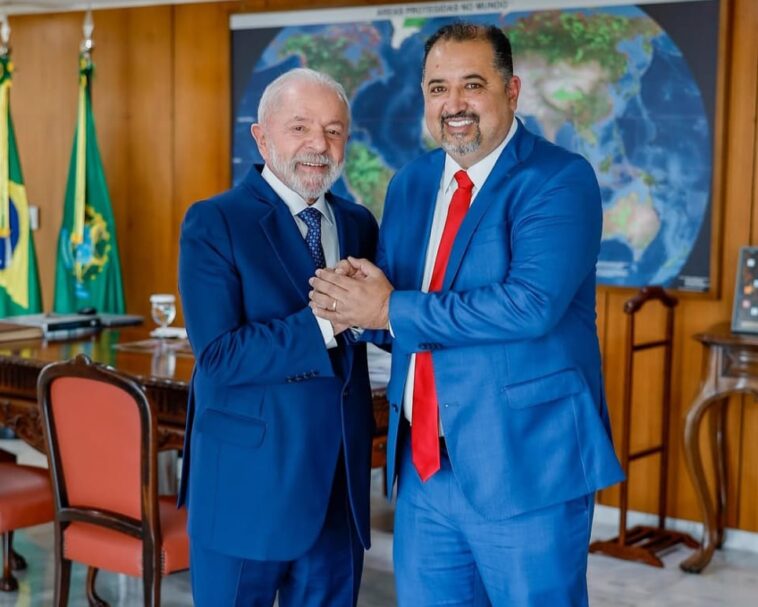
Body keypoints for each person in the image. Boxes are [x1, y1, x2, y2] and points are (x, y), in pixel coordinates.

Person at [309, 23, 624, 606]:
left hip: (526, 465)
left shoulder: (558, 179)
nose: (453, 104)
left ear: (511, 90)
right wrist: (354, 304)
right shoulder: (411, 184)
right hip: (425, 466)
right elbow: (397, 317)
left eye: (472, 85)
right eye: (438, 88)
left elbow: (529, 306)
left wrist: (388, 307)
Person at [178, 67, 378, 606]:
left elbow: (375, 321)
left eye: (334, 131)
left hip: (338, 489)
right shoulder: (215, 222)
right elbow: (220, 357)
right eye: (300, 127)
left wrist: (383, 316)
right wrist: (329, 320)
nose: (319, 144)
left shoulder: (358, 223)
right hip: (248, 488)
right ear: (261, 136)